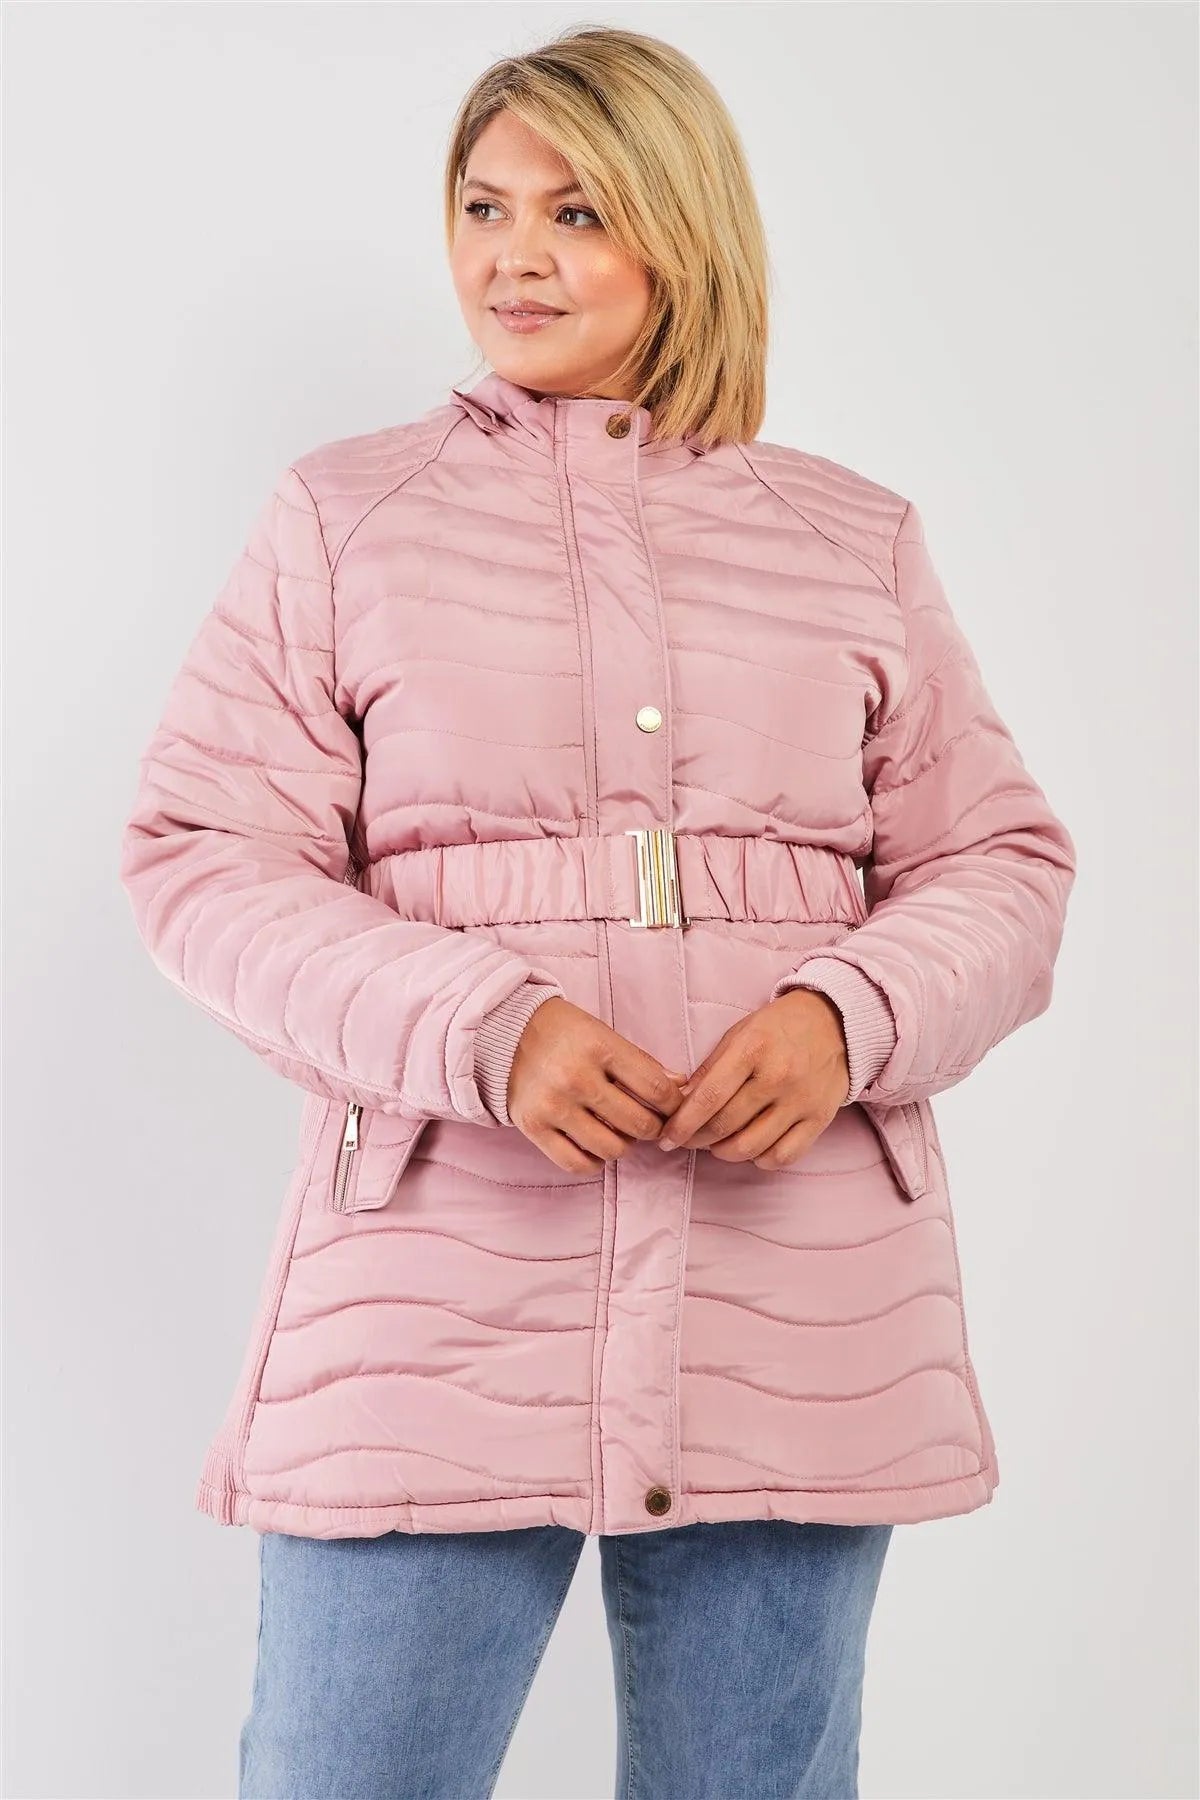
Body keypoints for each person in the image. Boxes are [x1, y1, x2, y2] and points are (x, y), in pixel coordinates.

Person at [118, 25, 1077, 1800]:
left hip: (791, 1298)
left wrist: (847, 1018)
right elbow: (204, 857)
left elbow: (1003, 866)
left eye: (575, 211)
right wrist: (484, 1029)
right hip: (434, 1293)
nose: (514, 256)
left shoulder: (851, 539)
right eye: (483, 207)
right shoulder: (349, 520)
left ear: (682, 228)